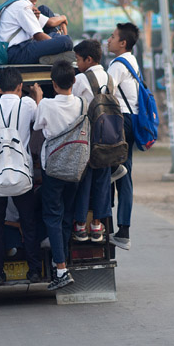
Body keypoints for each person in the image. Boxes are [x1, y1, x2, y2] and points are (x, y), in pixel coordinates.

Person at [0, 66, 43, 285]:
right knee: (28, 222)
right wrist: (38, 96)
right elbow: (41, 121)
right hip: (23, 175)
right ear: (20, 86)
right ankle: (34, 270)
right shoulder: (28, 104)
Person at [29, 61, 81, 290]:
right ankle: (63, 261)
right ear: (74, 81)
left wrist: (38, 97)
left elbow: (38, 125)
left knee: (52, 215)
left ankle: (61, 269)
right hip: (76, 167)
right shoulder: (81, 103)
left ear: (53, 83)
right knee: (67, 214)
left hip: (54, 168)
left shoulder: (47, 104)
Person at [71, 39, 112, 243]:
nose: (77, 64)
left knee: (84, 181)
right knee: (102, 181)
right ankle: (97, 225)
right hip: (108, 138)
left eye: (78, 60)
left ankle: (80, 224)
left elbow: (75, 106)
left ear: (88, 59)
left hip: (87, 138)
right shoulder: (109, 76)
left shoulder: (80, 80)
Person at [106, 22, 141, 250]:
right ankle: (123, 230)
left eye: (112, 36)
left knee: (107, 165)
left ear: (123, 43)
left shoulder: (117, 65)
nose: (108, 40)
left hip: (121, 121)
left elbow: (104, 92)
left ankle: (104, 221)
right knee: (125, 176)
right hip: (132, 120)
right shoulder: (133, 61)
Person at [0, 0, 73, 65]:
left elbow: (48, 24)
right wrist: (57, 46)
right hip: (18, 53)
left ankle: (53, 54)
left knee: (45, 12)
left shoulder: (15, 2)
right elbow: (39, 36)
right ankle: (55, 55)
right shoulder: (22, 6)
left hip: (19, 49)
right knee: (66, 41)